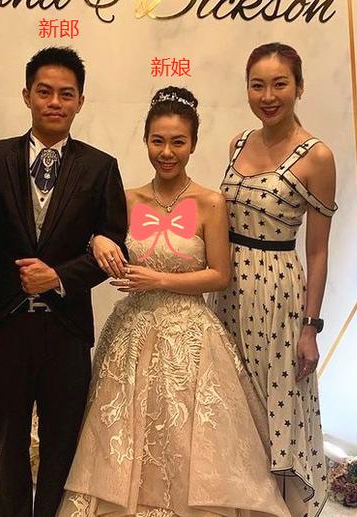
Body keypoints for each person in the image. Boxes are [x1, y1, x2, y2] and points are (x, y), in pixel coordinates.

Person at [57, 86, 291, 517]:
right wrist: (99, 240)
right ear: (146, 141)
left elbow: (220, 275)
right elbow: (97, 237)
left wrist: (158, 279)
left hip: (190, 335)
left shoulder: (211, 202)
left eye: (178, 142)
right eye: (158, 141)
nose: (167, 152)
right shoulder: (126, 198)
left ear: (193, 144)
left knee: (187, 435)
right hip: (131, 331)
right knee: (123, 431)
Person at [0, 47, 128, 517]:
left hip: (66, 327)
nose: (55, 102)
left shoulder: (100, 167)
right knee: (8, 440)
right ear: (27, 95)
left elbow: (113, 248)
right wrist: (20, 274)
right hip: (6, 323)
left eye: (66, 94)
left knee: (62, 443)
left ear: (80, 102)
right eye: (45, 92)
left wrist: (57, 276)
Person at [208, 42, 338, 516]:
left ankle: (280, 508)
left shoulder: (317, 156)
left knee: (275, 401)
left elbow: (318, 250)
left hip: (277, 289)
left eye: (279, 84)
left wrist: (311, 327)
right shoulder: (238, 143)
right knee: (232, 398)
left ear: (299, 88)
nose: (268, 96)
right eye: (257, 85)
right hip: (227, 286)